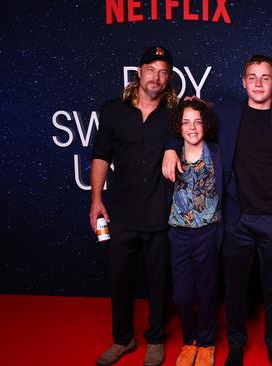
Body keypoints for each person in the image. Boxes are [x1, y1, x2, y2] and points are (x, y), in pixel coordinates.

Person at [163, 54, 272, 366]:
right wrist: (171, 147)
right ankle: (237, 344)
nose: (258, 83)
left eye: (265, 77)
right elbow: (188, 120)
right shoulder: (226, 113)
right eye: (252, 77)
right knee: (236, 289)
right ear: (243, 82)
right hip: (237, 219)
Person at [90, 46, 177, 366]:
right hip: (121, 214)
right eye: (151, 69)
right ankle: (123, 339)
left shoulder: (174, 114)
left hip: (159, 213)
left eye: (164, 71)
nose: (157, 76)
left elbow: (210, 116)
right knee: (119, 279)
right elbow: (101, 154)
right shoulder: (112, 111)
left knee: (158, 282)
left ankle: (155, 339)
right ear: (139, 72)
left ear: (169, 78)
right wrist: (96, 200)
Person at [167, 99, 223, 366]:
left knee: (207, 291)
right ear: (178, 127)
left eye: (198, 121)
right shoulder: (170, 153)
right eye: (186, 121)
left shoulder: (217, 154)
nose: (192, 127)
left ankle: (207, 342)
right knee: (182, 294)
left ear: (206, 124)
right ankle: (190, 340)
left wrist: (200, 103)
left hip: (207, 232)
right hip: (178, 233)